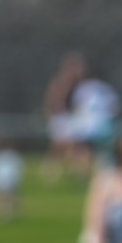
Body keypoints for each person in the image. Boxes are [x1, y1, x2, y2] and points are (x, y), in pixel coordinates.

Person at [42, 52, 85, 181]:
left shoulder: (74, 85)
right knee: (61, 148)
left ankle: (71, 172)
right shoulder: (63, 84)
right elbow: (55, 103)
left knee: (69, 147)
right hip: (61, 119)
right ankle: (52, 174)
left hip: (65, 119)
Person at [0, 141, 24, 222]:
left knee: (4, 196)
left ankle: (4, 213)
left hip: (2, 179)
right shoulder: (12, 156)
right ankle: (5, 214)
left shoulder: (0, 157)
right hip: (5, 179)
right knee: (6, 196)